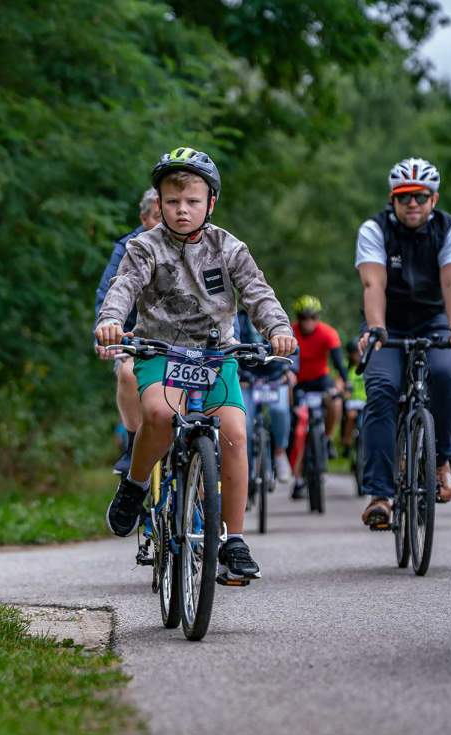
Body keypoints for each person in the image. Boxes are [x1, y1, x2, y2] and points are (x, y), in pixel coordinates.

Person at [94, 147, 296, 584]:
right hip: (161, 352)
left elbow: (258, 292)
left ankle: (233, 540)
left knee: (236, 434)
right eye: (172, 201)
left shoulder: (229, 247)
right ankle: (136, 485)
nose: (182, 210)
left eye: (192, 201)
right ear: (159, 203)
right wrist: (110, 321)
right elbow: (123, 287)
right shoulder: (144, 247)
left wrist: (279, 329)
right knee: (158, 414)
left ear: (211, 202)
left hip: (216, 355)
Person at [356, 157, 451, 527]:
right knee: (382, 389)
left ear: (434, 199)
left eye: (420, 196)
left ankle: (442, 459)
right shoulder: (375, 229)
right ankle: (380, 495)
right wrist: (375, 328)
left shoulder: (450, 230)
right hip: (387, 322)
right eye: (404, 197)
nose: (412, 203)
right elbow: (373, 283)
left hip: (435, 321)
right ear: (393, 200)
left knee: (449, 375)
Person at [94, 188, 161, 476]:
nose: (164, 223)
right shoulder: (128, 248)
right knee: (128, 373)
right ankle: (134, 444)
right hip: (136, 337)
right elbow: (107, 293)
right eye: (157, 216)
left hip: (185, 339)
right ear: (144, 219)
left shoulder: (198, 242)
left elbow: (222, 302)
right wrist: (104, 331)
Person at [289, 295, 350, 499]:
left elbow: (339, 362)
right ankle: (298, 477)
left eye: (312, 317)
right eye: (303, 317)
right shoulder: (291, 332)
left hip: (321, 379)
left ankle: (327, 439)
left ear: (318, 317)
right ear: (298, 318)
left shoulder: (328, 333)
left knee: (336, 401)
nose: (308, 322)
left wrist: (346, 381)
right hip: (299, 381)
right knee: (297, 428)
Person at [237, 309, 294, 484]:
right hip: (247, 380)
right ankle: (245, 467)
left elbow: (292, 344)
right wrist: (237, 374)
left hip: (275, 378)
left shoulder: (275, 314)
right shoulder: (237, 319)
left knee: (280, 411)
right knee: (245, 424)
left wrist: (290, 370)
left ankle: (280, 452)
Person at [341, 340, 366, 455]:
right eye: (354, 353)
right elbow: (339, 380)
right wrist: (343, 390)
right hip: (352, 401)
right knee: (351, 416)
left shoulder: (367, 364)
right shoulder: (346, 366)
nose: (357, 355)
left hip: (366, 400)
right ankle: (347, 442)